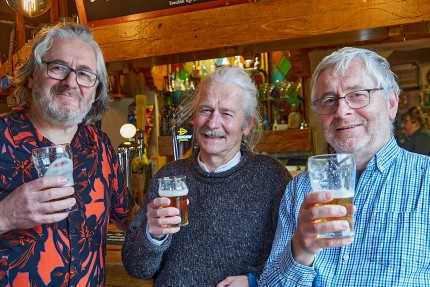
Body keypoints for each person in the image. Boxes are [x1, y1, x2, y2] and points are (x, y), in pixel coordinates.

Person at [259, 47, 430, 286]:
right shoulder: (299, 190)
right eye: (329, 100)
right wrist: (301, 250)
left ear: (392, 103)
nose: (342, 111)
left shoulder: (426, 180)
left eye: (358, 94)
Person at [122, 66, 292, 287]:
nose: (213, 123)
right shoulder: (170, 177)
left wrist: (255, 281)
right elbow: (136, 268)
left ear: (247, 125)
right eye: (205, 110)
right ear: (194, 117)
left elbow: (293, 260)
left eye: (227, 114)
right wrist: (151, 235)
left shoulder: (272, 178)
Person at [0, 24, 136, 286]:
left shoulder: (100, 146)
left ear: (96, 90)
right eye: (58, 67)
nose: (71, 82)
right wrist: (6, 214)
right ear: (32, 76)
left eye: (85, 74)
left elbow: (128, 217)